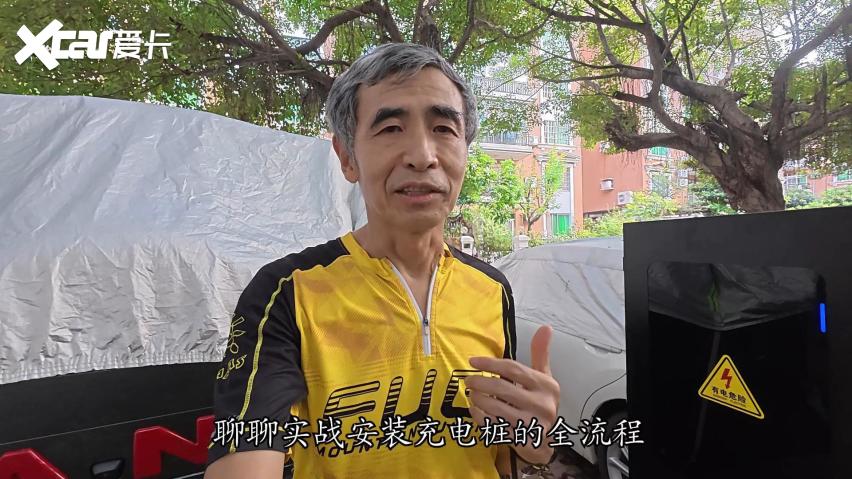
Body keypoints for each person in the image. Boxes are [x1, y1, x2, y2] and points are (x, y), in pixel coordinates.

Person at [204, 43, 560, 479]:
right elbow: (247, 457)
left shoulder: (492, 289)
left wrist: (535, 446)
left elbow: (499, 457)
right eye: (391, 128)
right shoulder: (287, 292)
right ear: (347, 158)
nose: (422, 155)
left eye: (444, 129)